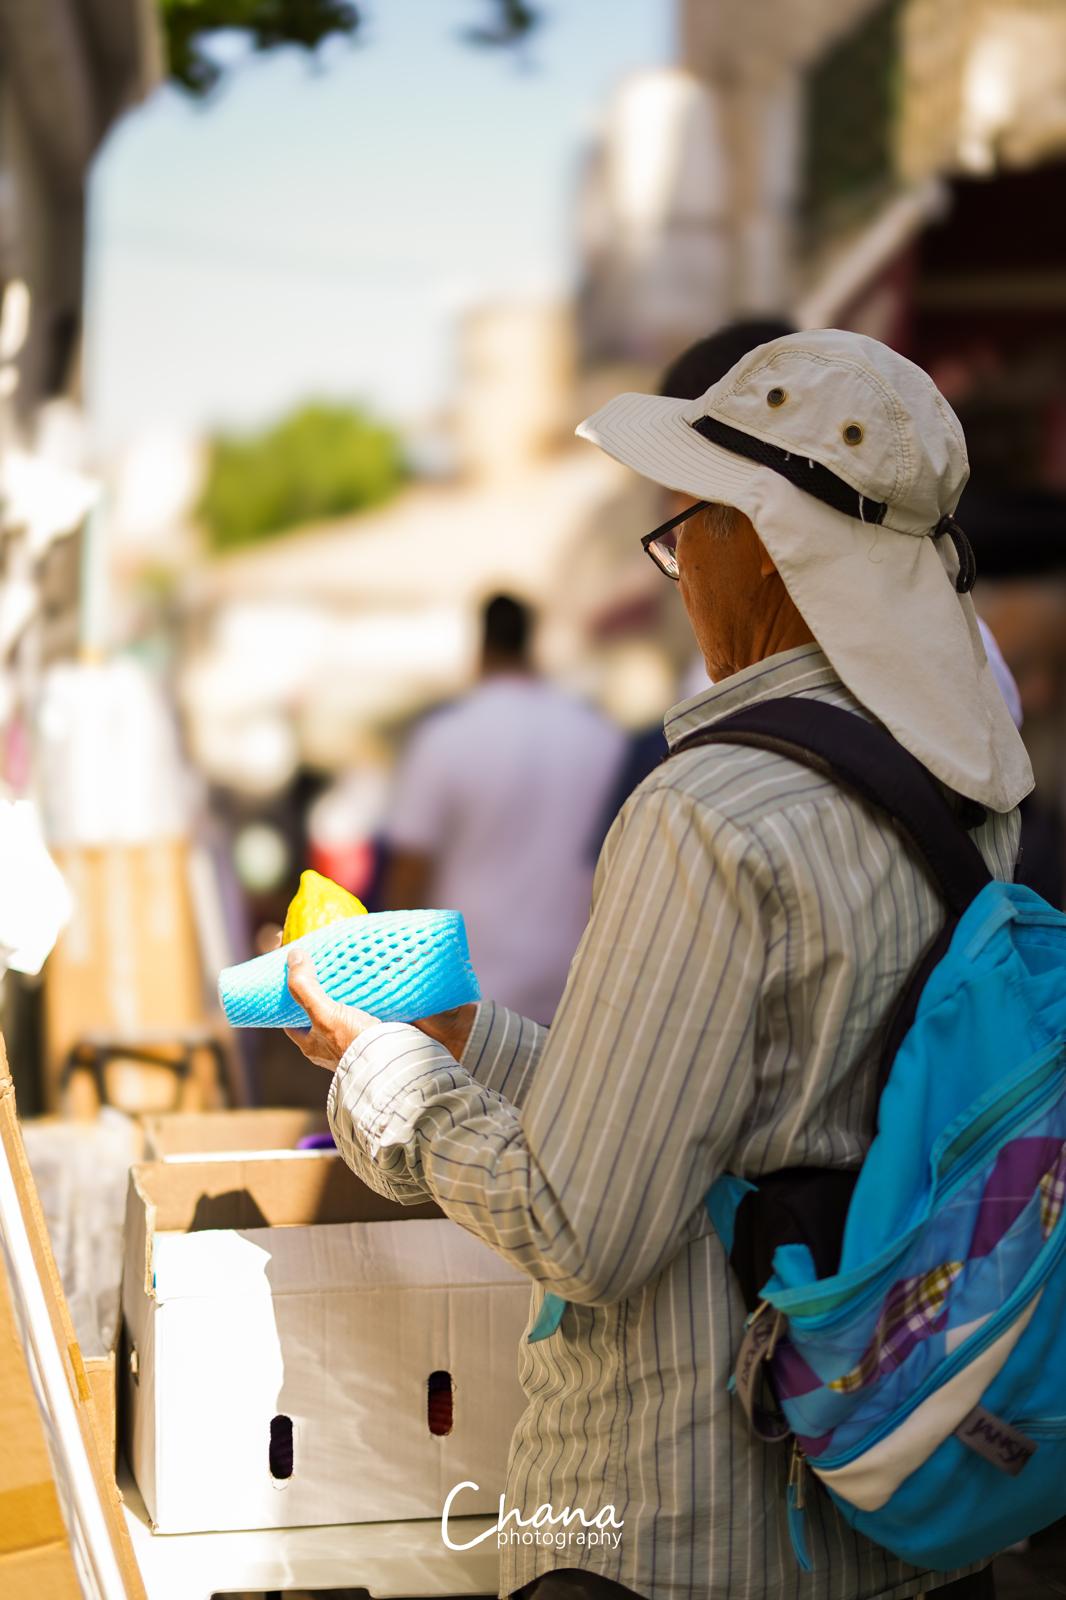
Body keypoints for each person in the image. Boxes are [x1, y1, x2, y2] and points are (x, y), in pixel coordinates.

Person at [285, 330, 1032, 1600]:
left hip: (680, 1521)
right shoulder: (970, 790)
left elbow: (585, 1226)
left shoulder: (710, 808)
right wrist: (473, 1036)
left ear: (761, 540)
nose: (680, 570)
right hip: (889, 1505)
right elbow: (758, 1121)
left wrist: (384, 1079)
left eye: (684, 530)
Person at [382, 592, 625, 1025]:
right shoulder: (600, 736)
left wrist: (394, 995)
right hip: (576, 980)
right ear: (531, 645)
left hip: (469, 989)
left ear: (481, 648)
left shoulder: (445, 738)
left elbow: (409, 871)